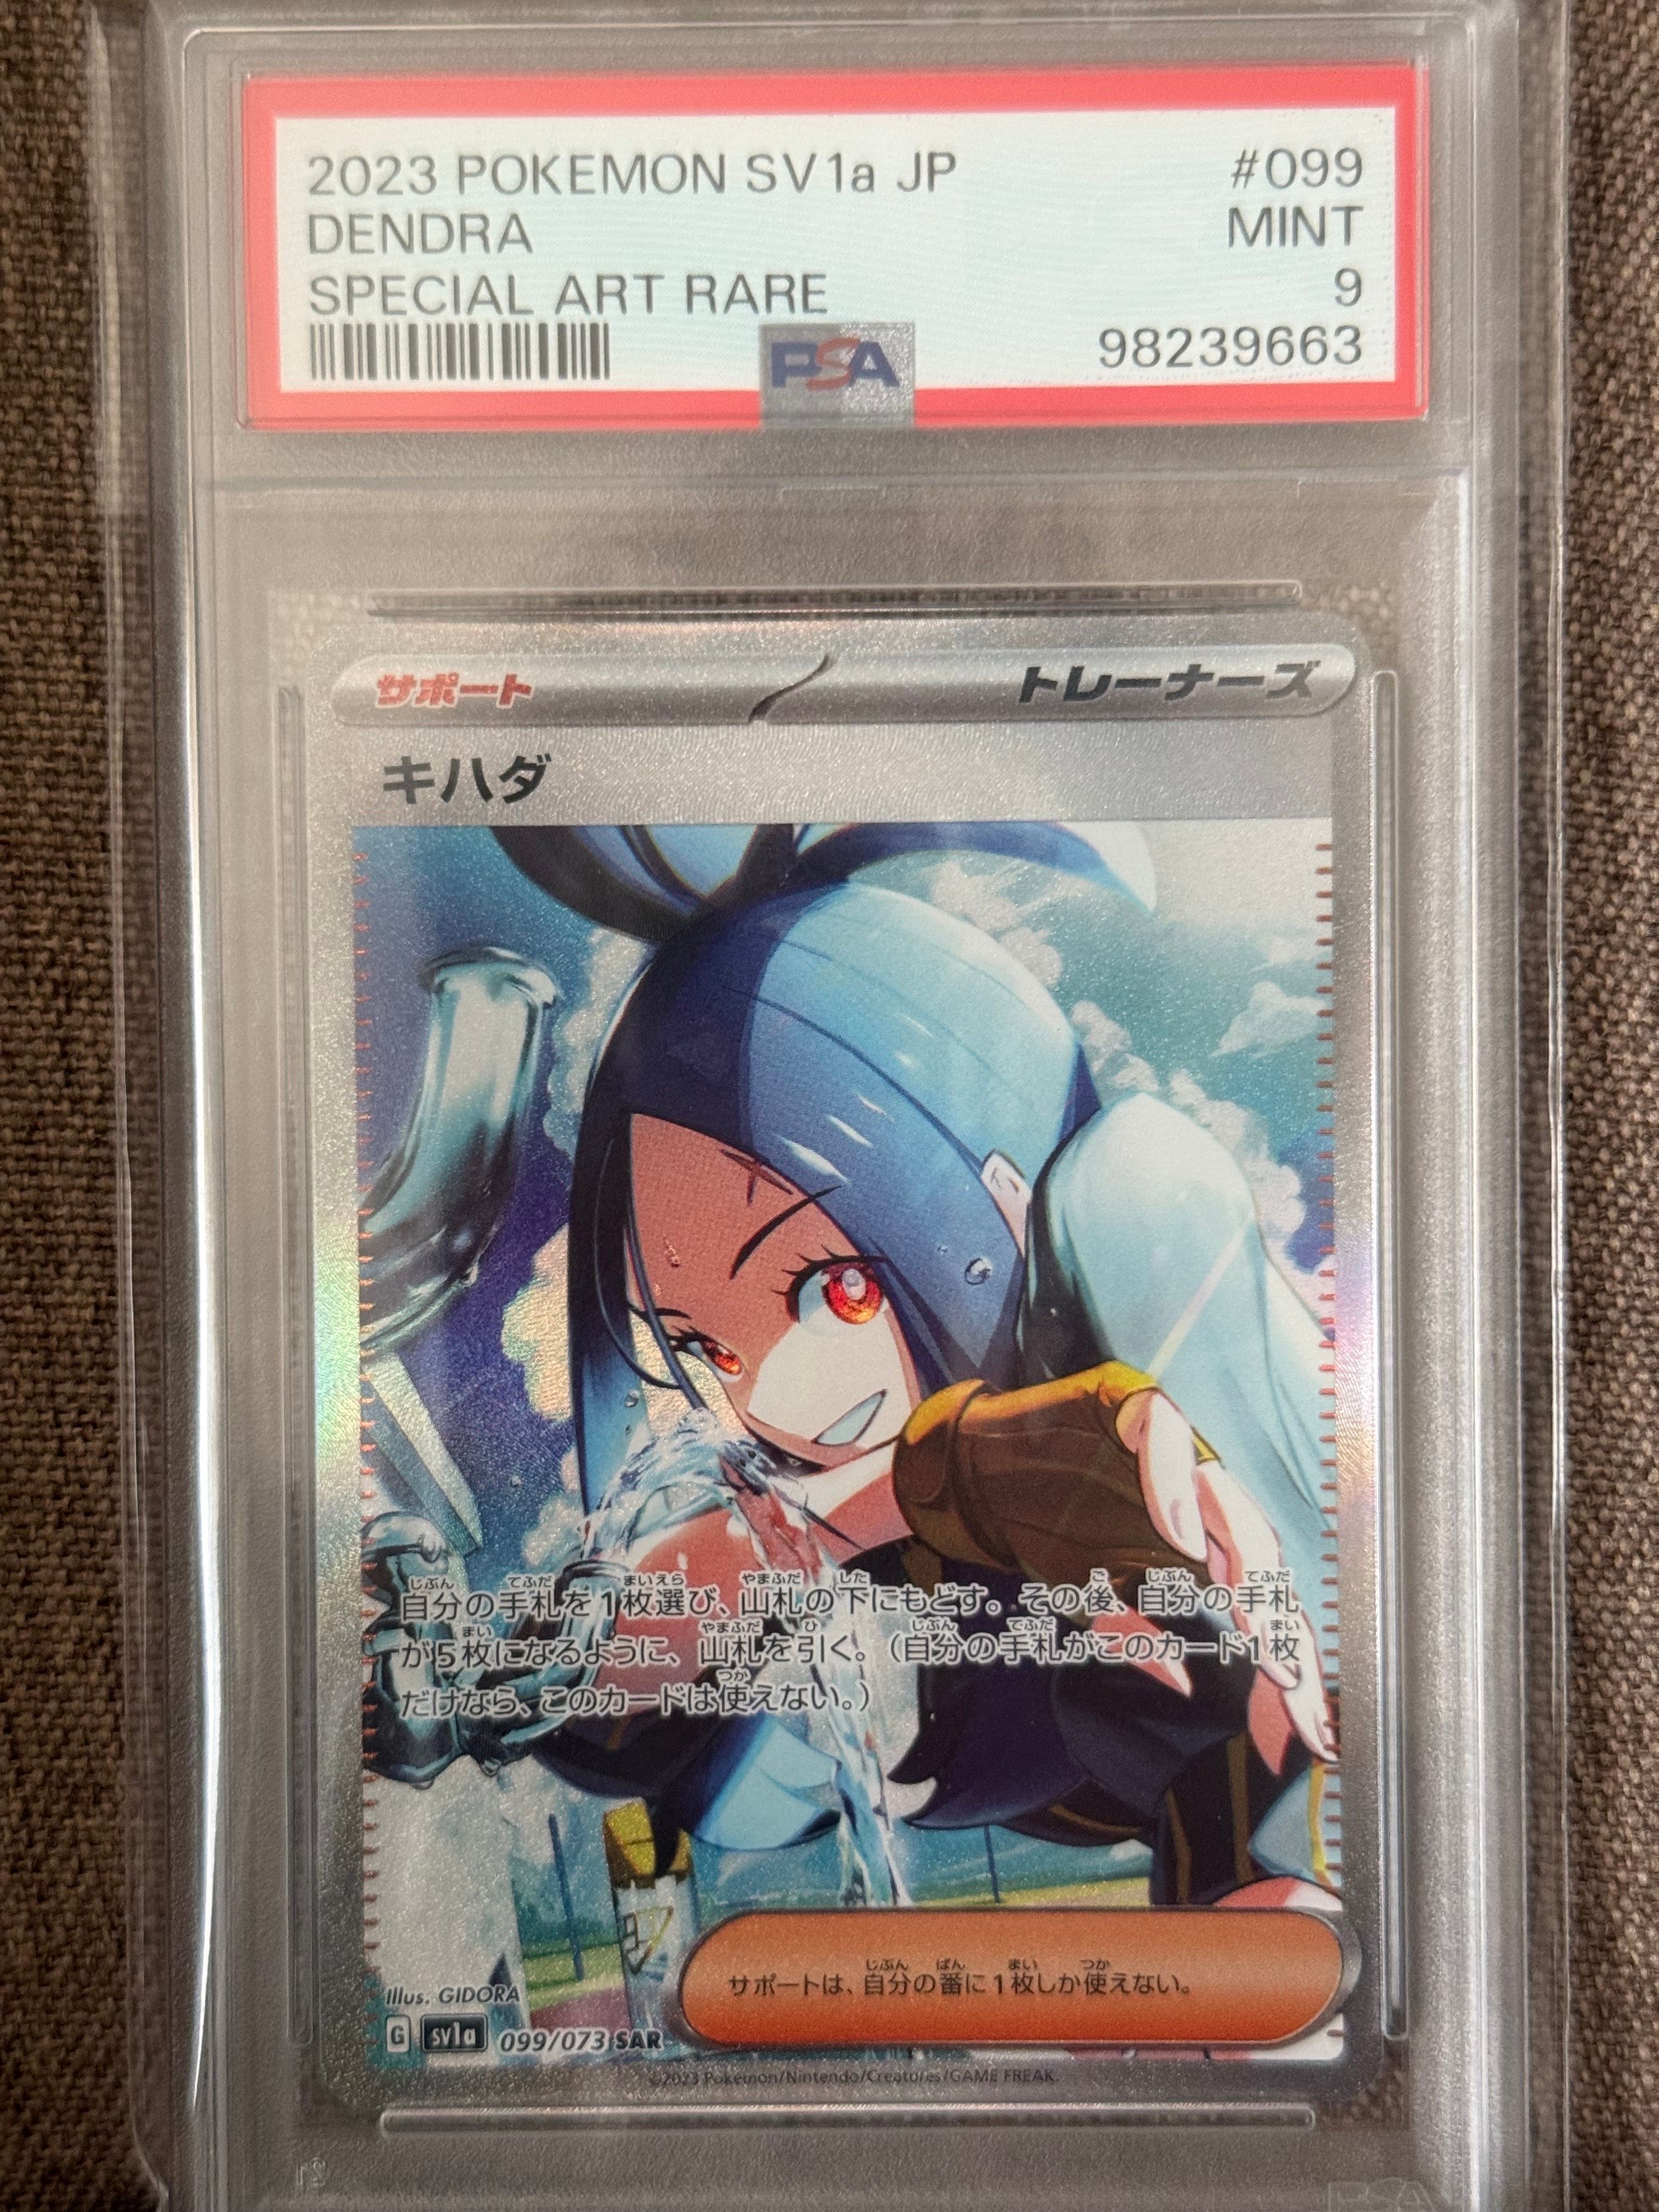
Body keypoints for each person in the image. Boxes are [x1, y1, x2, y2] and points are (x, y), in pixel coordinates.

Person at [366, 822, 1337, 1909]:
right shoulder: (776, 1514)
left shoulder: (1122, 1301)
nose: (770, 1393)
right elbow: (647, 1631)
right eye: (700, 1347)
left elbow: (1178, 1538)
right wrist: (469, 1685)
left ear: (1000, 1201)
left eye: (832, 1294)